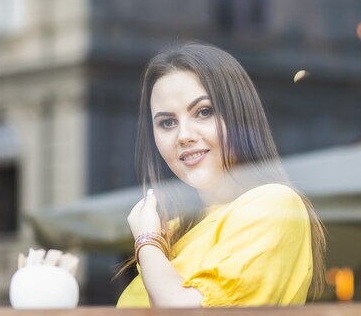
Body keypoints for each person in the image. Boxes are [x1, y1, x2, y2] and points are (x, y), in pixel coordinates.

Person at [116, 42, 325, 308]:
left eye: (204, 112)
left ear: (239, 116)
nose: (185, 136)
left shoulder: (275, 204)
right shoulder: (171, 230)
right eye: (167, 122)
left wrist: (146, 241)